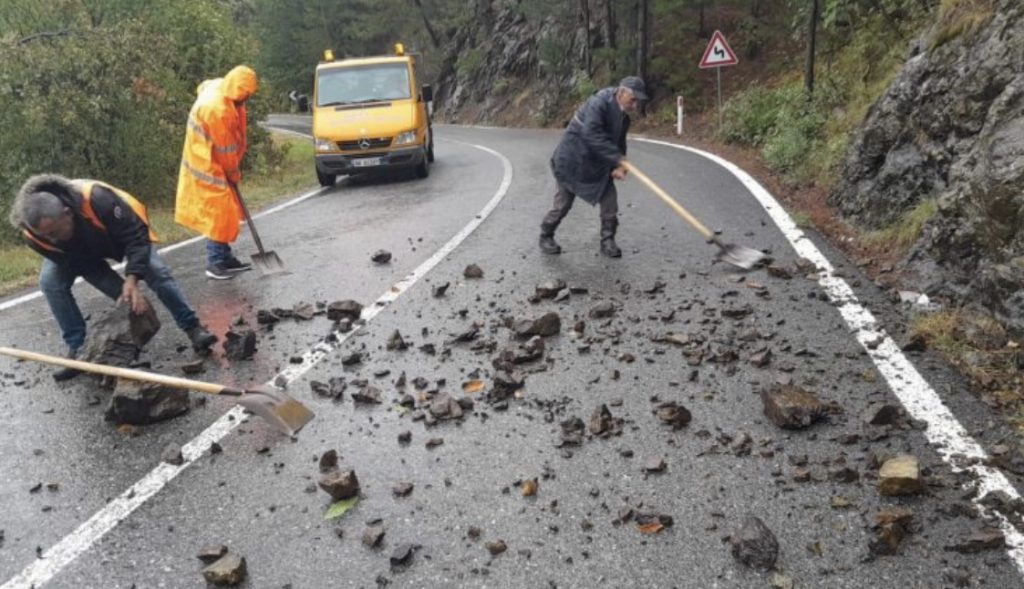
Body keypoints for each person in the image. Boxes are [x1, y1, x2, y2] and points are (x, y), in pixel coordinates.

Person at [9, 174, 218, 381]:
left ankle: (192, 327)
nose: (52, 239)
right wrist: (123, 295)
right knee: (50, 282)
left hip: (118, 235)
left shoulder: (98, 199)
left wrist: (132, 278)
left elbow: (136, 238)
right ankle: (80, 350)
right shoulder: (34, 235)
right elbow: (87, 268)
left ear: (68, 213)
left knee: (156, 271)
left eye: (54, 231)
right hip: (81, 253)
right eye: (46, 235)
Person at [540, 76, 647, 258]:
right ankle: (546, 235)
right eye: (633, 100)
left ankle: (608, 241)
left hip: (597, 165)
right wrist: (618, 158)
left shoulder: (624, 118)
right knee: (562, 204)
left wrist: (620, 165)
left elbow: (619, 143)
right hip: (573, 160)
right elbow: (591, 133)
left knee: (610, 202)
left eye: (638, 101)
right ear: (621, 93)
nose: (635, 105)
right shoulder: (598, 103)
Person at [175, 65, 258, 280]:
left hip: (207, 154)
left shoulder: (221, 88)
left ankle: (224, 256)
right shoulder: (217, 111)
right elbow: (225, 150)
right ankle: (215, 262)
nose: (245, 99)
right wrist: (233, 174)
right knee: (219, 212)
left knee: (225, 210)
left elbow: (203, 86)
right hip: (206, 162)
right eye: (243, 96)